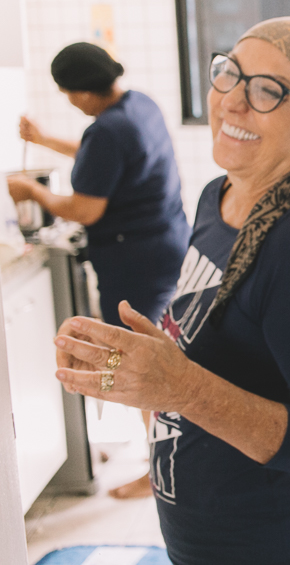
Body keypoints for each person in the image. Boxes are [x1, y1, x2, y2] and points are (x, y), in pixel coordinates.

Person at [52, 16, 290, 565]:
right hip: (202, 541)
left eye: (268, 91)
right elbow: (218, 352)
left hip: (283, 551)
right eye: (230, 73)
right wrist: (145, 366)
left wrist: (181, 388)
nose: (232, 102)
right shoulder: (216, 196)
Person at [7, 43, 191, 500]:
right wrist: (45, 140)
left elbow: (86, 207)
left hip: (135, 261)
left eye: (68, 93)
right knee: (158, 354)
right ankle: (158, 456)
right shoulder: (138, 104)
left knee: (141, 364)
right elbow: (102, 161)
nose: (69, 101)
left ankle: (161, 472)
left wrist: (33, 191)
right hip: (167, 246)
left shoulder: (107, 130)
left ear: (84, 94)